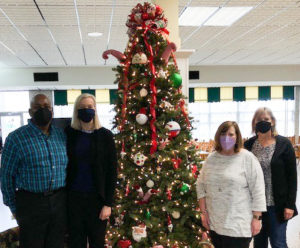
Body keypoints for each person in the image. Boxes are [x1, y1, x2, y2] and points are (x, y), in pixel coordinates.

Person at [0, 94, 68, 248]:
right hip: (31, 204)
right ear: (30, 111)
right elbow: (6, 177)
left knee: (56, 243)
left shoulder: (60, 135)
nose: (43, 110)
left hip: (59, 201)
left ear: (52, 110)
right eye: (38, 107)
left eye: (47, 107)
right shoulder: (16, 138)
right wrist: (15, 208)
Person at [196, 121, 266, 248]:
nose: (226, 138)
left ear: (237, 136)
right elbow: (200, 186)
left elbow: (258, 190)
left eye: (231, 134)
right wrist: (203, 212)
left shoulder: (247, 158)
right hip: (215, 223)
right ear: (218, 136)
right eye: (223, 134)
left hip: (238, 225)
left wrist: (257, 218)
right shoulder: (211, 159)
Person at [65, 93, 118, 248]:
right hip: (74, 199)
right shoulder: (69, 133)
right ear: (76, 111)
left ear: (95, 109)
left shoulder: (105, 135)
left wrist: (108, 204)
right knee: (76, 242)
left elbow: (112, 172)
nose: (86, 110)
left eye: (90, 107)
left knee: (97, 242)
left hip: (97, 199)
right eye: (82, 108)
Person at [244, 107, 298, 248]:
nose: (263, 122)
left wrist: (290, 205)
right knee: (259, 244)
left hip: (277, 205)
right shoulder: (248, 145)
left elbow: (292, 177)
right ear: (254, 123)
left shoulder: (284, 144)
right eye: (259, 120)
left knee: (278, 243)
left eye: (266, 119)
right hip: (255, 206)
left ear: (272, 121)